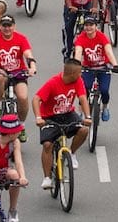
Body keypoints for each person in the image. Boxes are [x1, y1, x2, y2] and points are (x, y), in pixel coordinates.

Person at [31, 58, 91, 190]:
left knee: (84, 130)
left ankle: (72, 153)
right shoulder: (53, 83)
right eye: (79, 73)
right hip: (50, 117)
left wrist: (87, 116)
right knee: (47, 145)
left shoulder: (78, 81)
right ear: (71, 74)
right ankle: (47, 177)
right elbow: (36, 99)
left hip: (68, 114)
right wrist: (38, 118)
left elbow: (82, 98)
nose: (81, 75)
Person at [0, 15, 37, 121]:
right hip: (1, 70)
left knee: (23, 97)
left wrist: (32, 67)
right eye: (4, 26)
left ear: (14, 26)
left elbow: (28, 54)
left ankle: (21, 125)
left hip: (18, 72)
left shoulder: (21, 38)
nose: (7, 29)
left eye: (10, 26)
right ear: (0, 27)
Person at [73, 14, 118, 121]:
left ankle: (105, 107)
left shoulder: (101, 36)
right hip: (88, 67)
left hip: (103, 67)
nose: (88, 28)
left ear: (96, 26)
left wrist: (115, 65)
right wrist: (76, 66)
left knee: (104, 90)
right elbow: (78, 53)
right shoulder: (81, 38)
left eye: (91, 25)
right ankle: (80, 112)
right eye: (86, 25)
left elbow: (108, 51)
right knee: (85, 90)